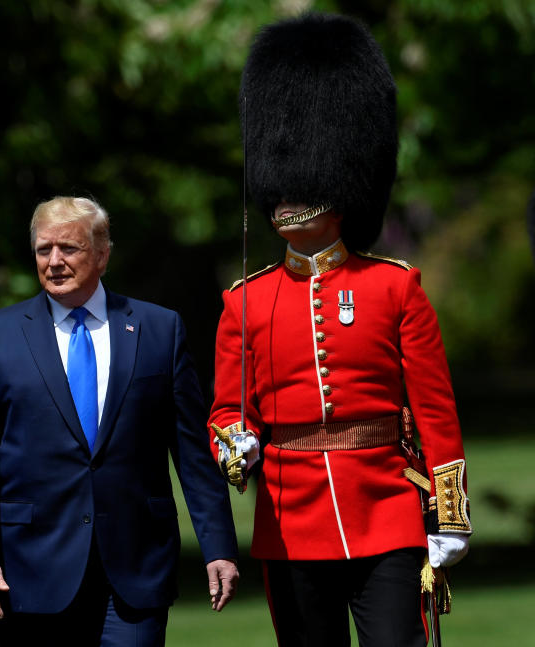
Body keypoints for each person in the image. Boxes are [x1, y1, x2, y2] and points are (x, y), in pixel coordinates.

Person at [209, 13, 472, 647]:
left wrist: (451, 515)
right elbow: (223, 413)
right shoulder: (244, 302)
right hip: (289, 520)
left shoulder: (393, 286)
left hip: (386, 514)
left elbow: (434, 410)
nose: (287, 200)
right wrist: (232, 447)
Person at [0, 196, 239, 646]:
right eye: (44, 250)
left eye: (69, 248)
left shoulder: (159, 329)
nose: (54, 261)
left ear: (103, 254)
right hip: (32, 571)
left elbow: (191, 451)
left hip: (136, 566)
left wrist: (218, 546)